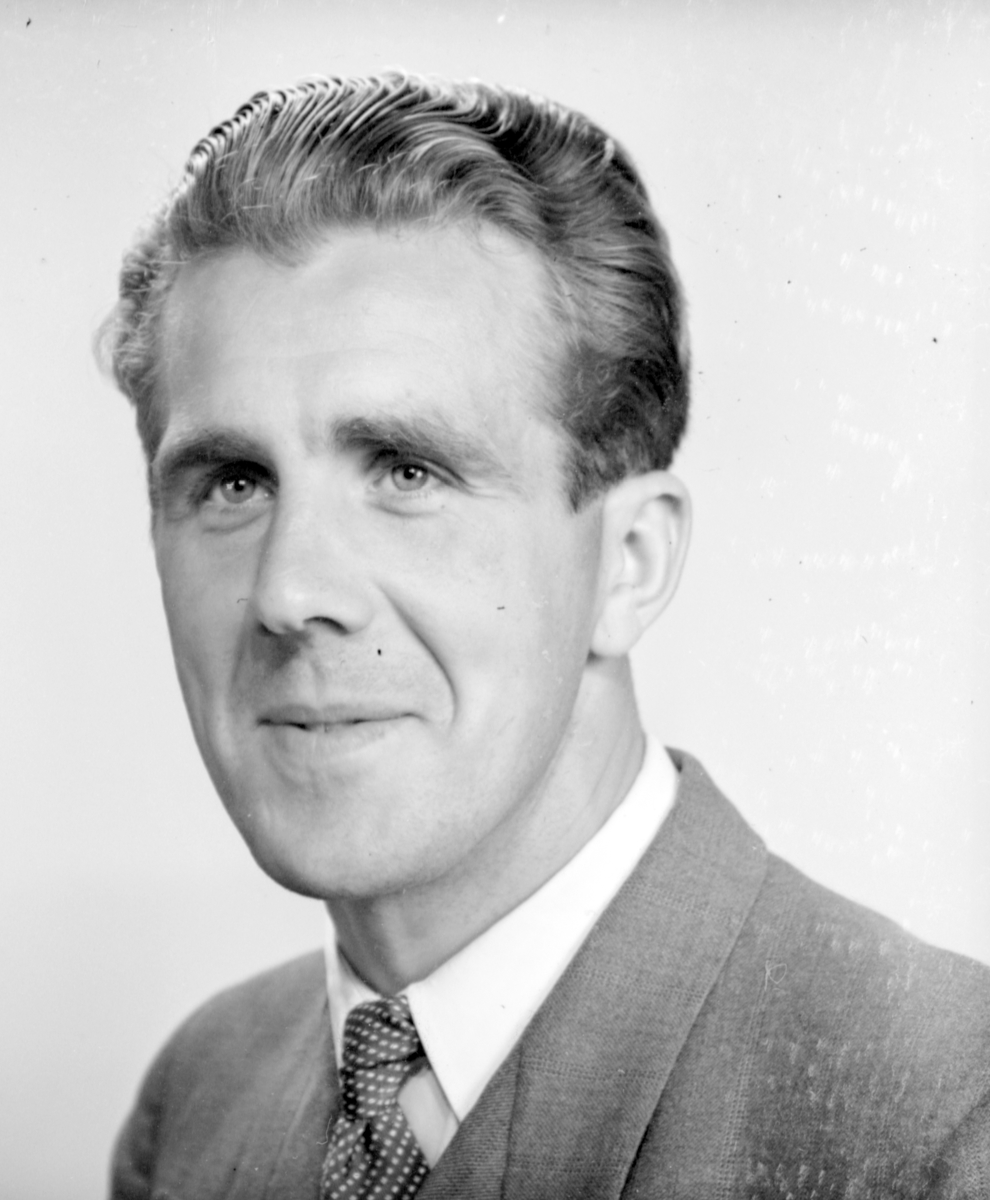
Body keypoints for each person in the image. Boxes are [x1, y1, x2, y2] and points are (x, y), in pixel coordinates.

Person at [98, 73, 990, 1199]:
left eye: (407, 471)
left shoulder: (947, 1128)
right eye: (233, 481)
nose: (290, 591)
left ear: (629, 562)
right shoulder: (198, 1099)